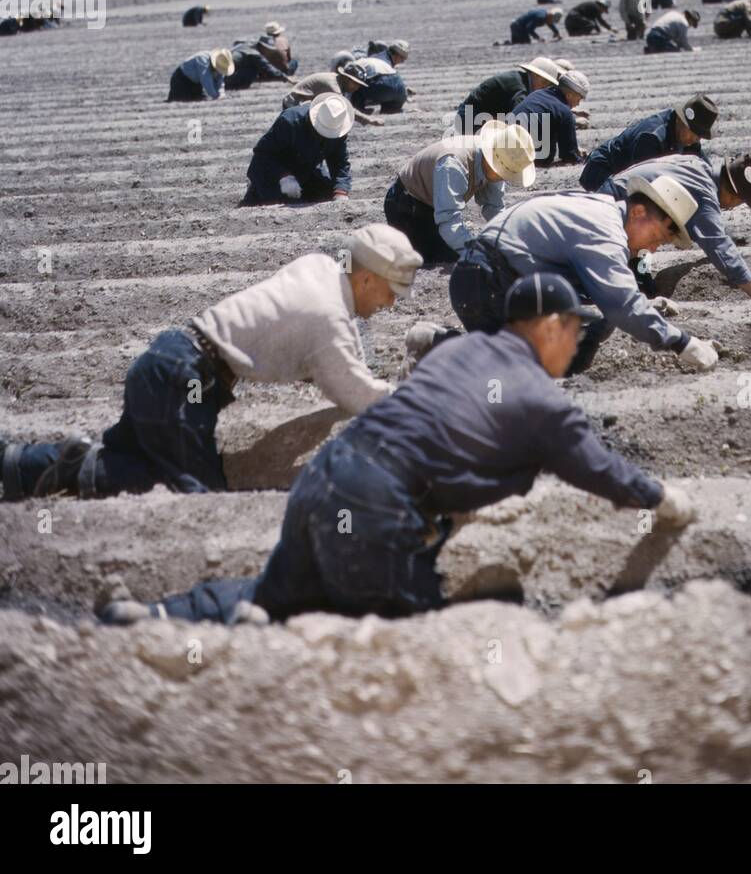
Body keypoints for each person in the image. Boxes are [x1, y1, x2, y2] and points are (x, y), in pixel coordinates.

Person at [100, 274, 695, 628]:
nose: (579, 339)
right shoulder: (544, 399)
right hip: (376, 504)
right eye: (574, 327)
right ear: (549, 327)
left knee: (276, 593)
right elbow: (596, 468)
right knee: (406, 632)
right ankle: (264, 651)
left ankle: (156, 618)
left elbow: (444, 430)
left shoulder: (460, 354)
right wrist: (662, 498)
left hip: (328, 478)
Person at [0, 227, 422, 503]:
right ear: (366, 279)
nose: (389, 304)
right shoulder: (327, 318)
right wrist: (413, 402)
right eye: (389, 293)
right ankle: (67, 464)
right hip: (184, 380)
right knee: (202, 497)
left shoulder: (318, 268)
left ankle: (18, 464)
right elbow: (353, 390)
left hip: (167, 361)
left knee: (135, 465)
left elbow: (337, 343)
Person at [449, 174, 719, 375]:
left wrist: (643, 306)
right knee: (518, 376)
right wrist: (682, 343)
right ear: (638, 212)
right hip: (486, 283)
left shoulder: (601, 207)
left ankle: (448, 347)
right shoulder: (605, 231)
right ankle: (440, 349)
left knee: (585, 326)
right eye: (657, 238)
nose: (652, 248)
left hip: (487, 277)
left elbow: (604, 292)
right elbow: (621, 306)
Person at [597, 153, 751, 301]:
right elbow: (718, 245)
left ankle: (640, 285)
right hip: (617, 207)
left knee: (642, 269)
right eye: (739, 203)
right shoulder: (704, 194)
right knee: (609, 274)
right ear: (734, 196)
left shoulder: (699, 166)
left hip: (616, 197)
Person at [384, 121, 537, 264]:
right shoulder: (454, 165)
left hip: (434, 205)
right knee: (445, 257)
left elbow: (494, 207)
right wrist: (477, 252)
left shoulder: (497, 158)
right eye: (504, 173)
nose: (505, 178)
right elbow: (449, 221)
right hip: (407, 206)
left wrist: (511, 237)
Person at [579, 93, 717, 192]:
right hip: (602, 173)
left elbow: (703, 167)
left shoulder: (687, 136)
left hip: (627, 176)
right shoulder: (652, 136)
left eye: (699, 136)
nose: (696, 140)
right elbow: (643, 181)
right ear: (682, 122)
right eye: (695, 134)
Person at [240, 93, 353, 206]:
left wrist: (341, 191)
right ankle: (254, 192)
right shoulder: (289, 122)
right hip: (276, 171)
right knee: (274, 203)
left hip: (306, 169)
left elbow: (340, 163)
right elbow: (262, 156)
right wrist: (283, 175)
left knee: (326, 196)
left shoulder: (338, 129)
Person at [452, 57, 559, 135]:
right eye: (546, 83)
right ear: (538, 77)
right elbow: (521, 117)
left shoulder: (520, 80)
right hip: (469, 120)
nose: (546, 88)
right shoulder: (520, 89)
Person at [511, 68, 588, 167]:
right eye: (579, 99)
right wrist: (580, 158)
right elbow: (569, 156)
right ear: (569, 95)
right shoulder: (564, 112)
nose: (578, 104)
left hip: (505, 143)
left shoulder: (538, 94)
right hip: (522, 157)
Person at [281, 61, 383, 126]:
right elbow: (345, 108)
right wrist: (369, 119)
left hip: (301, 105)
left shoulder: (337, 80)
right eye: (355, 83)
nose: (357, 87)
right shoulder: (333, 86)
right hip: (293, 104)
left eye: (359, 85)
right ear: (346, 78)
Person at [353, 40, 410, 112]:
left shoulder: (366, 60)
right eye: (402, 58)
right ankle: (390, 109)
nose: (402, 61)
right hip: (400, 89)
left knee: (356, 86)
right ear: (396, 55)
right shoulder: (384, 61)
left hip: (382, 87)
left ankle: (359, 110)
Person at [166, 47, 235, 101]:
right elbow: (206, 80)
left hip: (196, 83)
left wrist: (221, 94)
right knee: (178, 100)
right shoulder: (202, 59)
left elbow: (220, 81)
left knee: (198, 99)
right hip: (181, 80)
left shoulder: (220, 63)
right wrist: (216, 96)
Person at [226, 40, 295, 90]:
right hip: (229, 77)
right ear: (262, 46)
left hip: (225, 75)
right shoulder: (254, 54)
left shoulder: (243, 45)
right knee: (254, 69)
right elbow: (268, 68)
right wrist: (286, 78)